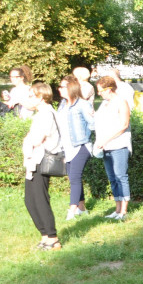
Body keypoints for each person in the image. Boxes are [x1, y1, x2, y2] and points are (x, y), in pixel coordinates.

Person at [21, 81, 63, 250]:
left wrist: (27, 141)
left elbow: (37, 138)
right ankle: (45, 235)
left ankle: (52, 238)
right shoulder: (41, 113)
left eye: (31, 95)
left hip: (41, 160)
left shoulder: (46, 113)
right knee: (30, 200)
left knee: (39, 199)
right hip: (34, 160)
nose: (29, 98)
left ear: (40, 97)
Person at [56, 74, 94, 220]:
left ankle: (72, 210)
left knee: (75, 178)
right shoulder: (62, 105)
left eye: (62, 86)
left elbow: (92, 124)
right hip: (67, 146)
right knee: (73, 177)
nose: (59, 89)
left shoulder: (82, 104)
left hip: (81, 145)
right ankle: (82, 208)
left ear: (71, 88)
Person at [94, 75, 132, 220]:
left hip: (119, 145)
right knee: (112, 177)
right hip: (105, 146)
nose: (99, 93)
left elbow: (124, 125)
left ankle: (124, 210)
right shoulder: (104, 104)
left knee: (120, 176)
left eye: (101, 91)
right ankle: (117, 209)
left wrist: (106, 139)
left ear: (109, 89)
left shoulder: (121, 102)